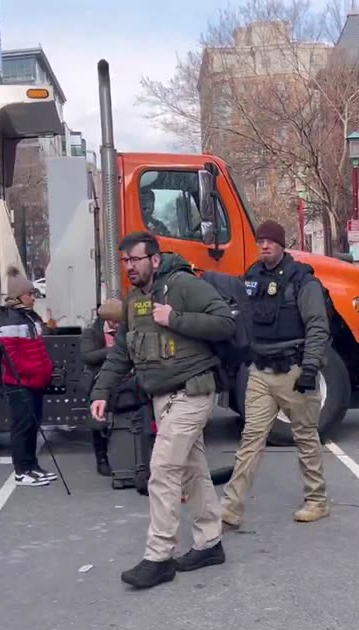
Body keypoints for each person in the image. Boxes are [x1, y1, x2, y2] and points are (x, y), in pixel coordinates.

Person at [90, 231, 236, 589]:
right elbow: (122, 352)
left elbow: (225, 322)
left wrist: (176, 319)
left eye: (135, 260)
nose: (130, 268)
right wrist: (101, 391)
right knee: (192, 471)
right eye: (125, 262)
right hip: (161, 398)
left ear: (154, 259)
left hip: (193, 392)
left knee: (163, 469)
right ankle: (210, 543)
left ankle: (159, 557)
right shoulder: (135, 299)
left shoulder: (183, 285)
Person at [221, 220, 331, 528]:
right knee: (251, 439)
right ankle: (231, 507)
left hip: (294, 369)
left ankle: (316, 499)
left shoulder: (302, 280)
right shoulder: (252, 276)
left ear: (281, 245)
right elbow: (243, 316)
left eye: (270, 241)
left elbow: (317, 326)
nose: (265, 245)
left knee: (305, 437)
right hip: (260, 369)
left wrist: (310, 368)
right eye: (261, 241)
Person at [0, 269, 58, 487]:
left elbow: (38, 348)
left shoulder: (30, 317)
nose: (33, 297)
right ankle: (22, 470)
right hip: (20, 385)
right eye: (29, 294)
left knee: (32, 425)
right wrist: (36, 371)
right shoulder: (10, 320)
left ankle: (32, 466)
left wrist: (46, 370)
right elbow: (11, 358)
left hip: (35, 383)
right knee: (22, 427)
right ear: (18, 296)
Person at [80, 298, 124, 480]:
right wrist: (114, 350)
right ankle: (102, 458)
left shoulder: (125, 328)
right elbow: (88, 356)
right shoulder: (92, 333)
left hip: (122, 378)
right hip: (98, 379)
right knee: (99, 419)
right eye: (114, 321)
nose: (117, 324)